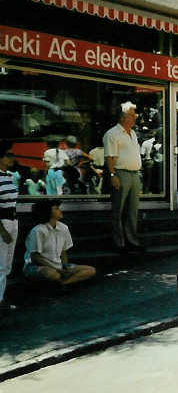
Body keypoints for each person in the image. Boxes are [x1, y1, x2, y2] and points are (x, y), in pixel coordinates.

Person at [23, 200, 96, 291]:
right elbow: (35, 257)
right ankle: (65, 282)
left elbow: (63, 252)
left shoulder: (63, 228)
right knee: (53, 274)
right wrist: (57, 269)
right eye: (56, 209)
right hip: (37, 266)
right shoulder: (38, 230)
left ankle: (64, 283)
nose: (60, 211)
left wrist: (64, 266)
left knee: (90, 270)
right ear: (48, 212)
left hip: (59, 265)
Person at [103, 101, 143, 252]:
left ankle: (132, 241)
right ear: (123, 117)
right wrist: (113, 175)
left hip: (134, 174)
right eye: (132, 116)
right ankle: (119, 243)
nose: (134, 118)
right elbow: (110, 157)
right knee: (118, 210)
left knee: (133, 210)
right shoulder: (112, 134)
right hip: (121, 173)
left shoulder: (133, 133)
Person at [0, 141, 18, 312]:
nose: (12, 158)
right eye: (8, 155)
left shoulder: (9, 176)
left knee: (7, 263)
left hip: (13, 220)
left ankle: (2, 297)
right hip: (3, 222)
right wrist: (2, 230)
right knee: (0, 262)